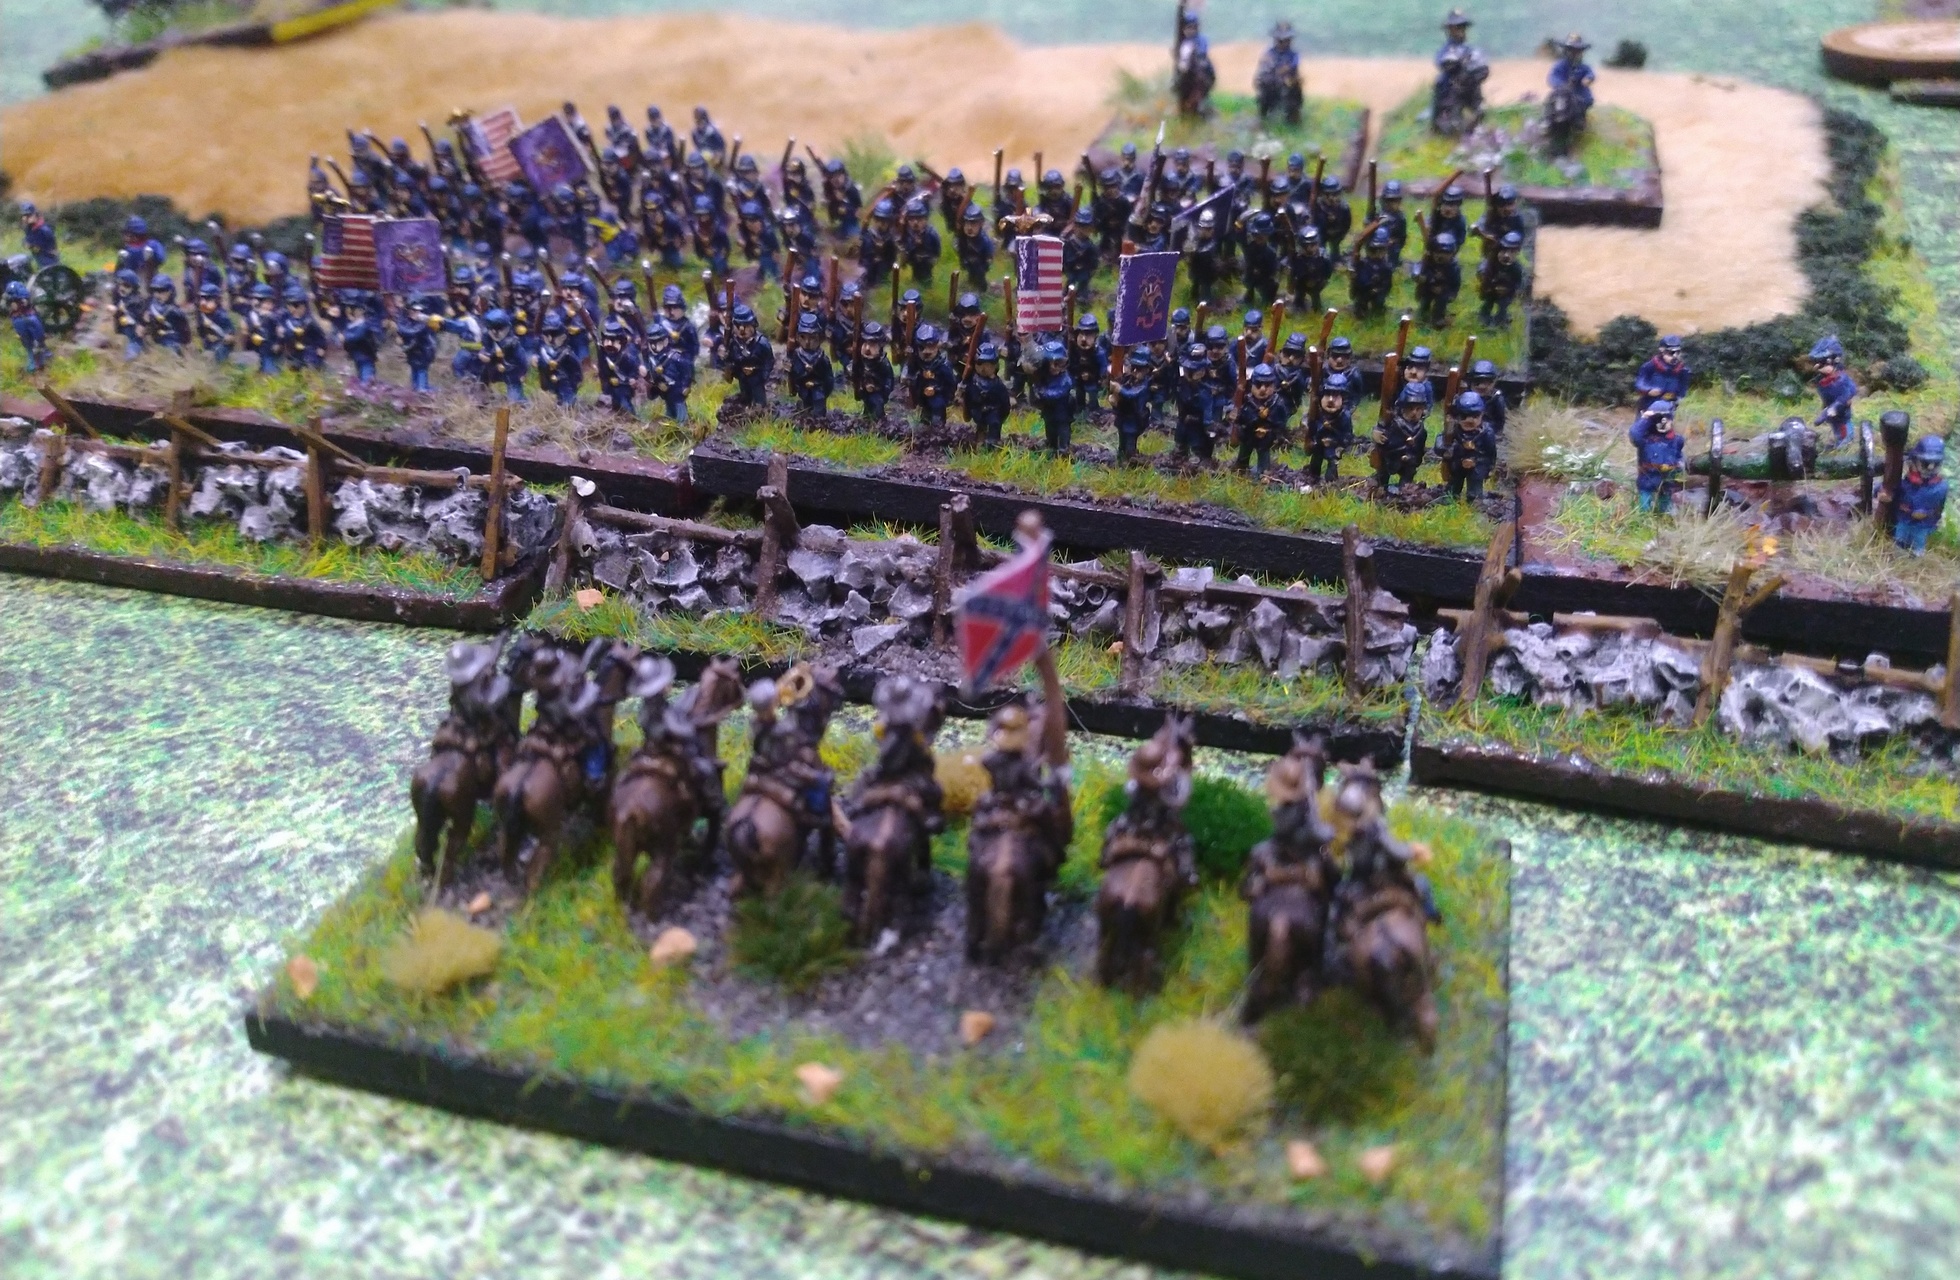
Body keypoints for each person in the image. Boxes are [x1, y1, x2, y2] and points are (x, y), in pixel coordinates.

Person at [1890, 436, 1947, 557]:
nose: (1930, 468)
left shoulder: (1940, 487)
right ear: (1915, 461)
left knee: (1919, 540)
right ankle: (1898, 551)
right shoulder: (1907, 482)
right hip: (1904, 518)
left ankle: (1917, 555)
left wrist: (1930, 515)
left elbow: (1939, 507)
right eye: (1926, 463)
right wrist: (1884, 493)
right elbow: (1896, 491)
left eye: (1935, 464)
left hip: (1923, 524)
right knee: (1900, 536)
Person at [1233, 363, 1292, 479]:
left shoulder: (1277, 404)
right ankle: (1241, 468)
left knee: (1263, 455)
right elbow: (1241, 418)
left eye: (1267, 385)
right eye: (1258, 385)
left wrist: (1271, 431)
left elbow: (1281, 422)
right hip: (1248, 435)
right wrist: (1254, 419)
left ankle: (1263, 473)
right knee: (1244, 452)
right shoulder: (1247, 401)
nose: (1263, 389)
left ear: (1274, 385)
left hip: (1266, 438)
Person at [1629, 402, 1684, 514]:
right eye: (1658, 420)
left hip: (1667, 478)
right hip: (1648, 477)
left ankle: (1665, 517)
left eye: (1666, 419)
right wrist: (1646, 419)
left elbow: (1678, 456)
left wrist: (1679, 468)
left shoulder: (1677, 440)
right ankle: (1644, 518)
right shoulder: (1645, 439)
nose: (1662, 423)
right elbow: (1634, 434)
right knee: (1645, 505)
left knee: (1666, 505)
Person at [1440, 391, 1495, 501]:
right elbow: (1441, 442)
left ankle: (1474, 499)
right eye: (1464, 416)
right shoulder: (1453, 429)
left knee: (1474, 488)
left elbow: (1491, 452)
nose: (1469, 420)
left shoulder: (1486, 433)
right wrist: (1447, 449)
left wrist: (1489, 467)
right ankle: (1451, 496)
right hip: (1457, 463)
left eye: (1475, 416)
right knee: (1453, 484)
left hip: (1478, 465)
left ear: (1482, 414)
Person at [718, 304, 774, 409]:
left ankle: (760, 410)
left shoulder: (762, 343)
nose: (742, 329)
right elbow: (729, 360)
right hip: (742, 376)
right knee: (745, 397)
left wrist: (763, 376)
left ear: (754, 324)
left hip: (756, 377)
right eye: (738, 325)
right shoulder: (732, 343)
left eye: (746, 325)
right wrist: (724, 357)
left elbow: (769, 361)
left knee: (759, 400)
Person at [1375, 387, 1430, 493]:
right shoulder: (1395, 424)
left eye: (1418, 409)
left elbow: (1420, 448)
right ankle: (1380, 486)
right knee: (1382, 475)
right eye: (1410, 408)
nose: (1414, 413)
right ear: (1402, 408)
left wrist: (1416, 458)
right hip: (1391, 458)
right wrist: (1378, 434)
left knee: (1407, 481)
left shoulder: (1421, 430)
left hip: (1410, 461)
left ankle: (1404, 491)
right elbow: (1381, 428)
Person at [1304, 369, 1355, 483]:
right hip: (1318, 445)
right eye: (1327, 395)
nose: (1331, 400)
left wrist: (1334, 442)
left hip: (1334, 447)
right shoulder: (1318, 413)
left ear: (1343, 399)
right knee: (1315, 461)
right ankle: (1312, 478)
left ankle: (1331, 483)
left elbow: (1348, 437)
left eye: (1336, 396)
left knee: (1332, 465)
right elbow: (1312, 429)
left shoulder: (1344, 417)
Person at [1171, 342, 1218, 465]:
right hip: (1183, 417)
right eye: (1188, 369)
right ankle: (1180, 450)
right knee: (1180, 435)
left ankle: (1197, 455)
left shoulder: (1205, 391)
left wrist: (1207, 425)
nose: (1190, 373)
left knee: (1196, 438)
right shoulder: (1182, 384)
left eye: (1195, 370)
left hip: (1197, 421)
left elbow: (1207, 411)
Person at [1810, 335, 1858, 446]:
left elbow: (1847, 394)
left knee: (1843, 426)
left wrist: (1834, 408)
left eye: (1823, 363)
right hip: (1831, 409)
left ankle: (1845, 443)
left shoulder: (1840, 380)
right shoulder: (1822, 380)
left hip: (1841, 411)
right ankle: (1839, 440)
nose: (1818, 367)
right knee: (1836, 426)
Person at [963, 341, 1013, 446]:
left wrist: (1001, 416)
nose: (983, 368)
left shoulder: (998, 385)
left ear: (995, 365)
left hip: (993, 412)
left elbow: (1005, 403)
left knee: (994, 424)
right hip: (977, 410)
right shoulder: (973, 382)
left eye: (988, 365)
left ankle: (993, 441)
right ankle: (979, 439)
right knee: (980, 427)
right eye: (980, 364)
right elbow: (967, 398)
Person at [1255, 21, 1305, 125]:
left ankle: (1293, 119)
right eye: (1280, 40)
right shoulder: (1269, 53)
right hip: (1271, 84)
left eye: (1286, 40)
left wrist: (1287, 75)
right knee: (1265, 87)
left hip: (1287, 84)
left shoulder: (1293, 55)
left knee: (1295, 89)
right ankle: (1264, 115)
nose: (1283, 43)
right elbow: (1264, 69)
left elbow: (1292, 68)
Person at [786, 312, 835, 416]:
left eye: (812, 337)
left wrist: (820, 387)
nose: (807, 342)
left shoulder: (822, 358)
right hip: (803, 389)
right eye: (803, 337)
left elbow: (828, 378)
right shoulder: (797, 355)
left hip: (818, 391)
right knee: (805, 407)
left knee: (818, 410)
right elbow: (795, 375)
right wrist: (791, 370)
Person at [1173, 4, 1217, 117]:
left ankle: (1205, 94)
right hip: (1185, 63)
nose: (1190, 30)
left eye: (1192, 27)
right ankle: (1176, 85)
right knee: (1178, 73)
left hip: (1199, 61)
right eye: (1188, 27)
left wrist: (1199, 56)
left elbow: (1203, 51)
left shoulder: (1201, 39)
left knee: (1207, 67)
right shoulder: (1184, 41)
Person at [1032, 341, 1076, 452]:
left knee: (1063, 429)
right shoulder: (1044, 376)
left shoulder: (1065, 379)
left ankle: (1063, 448)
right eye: (1050, 363)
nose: (1054, 367)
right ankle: (1051, 444)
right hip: (1049, 410)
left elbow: (1058, 393)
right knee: (1050, 428)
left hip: (1062, 411)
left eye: (1059, 363)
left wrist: (1043, 393)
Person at [1111, 347, 1154, 462]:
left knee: (1130, 442)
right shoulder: (1129, 380)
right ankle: (1121, 458)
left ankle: (1130, 459)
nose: (1135, 371)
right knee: (1122, 440)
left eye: (1139, 369)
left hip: (1134, 418)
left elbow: (1131, 394)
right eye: (1133, 367)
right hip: (1123, 415)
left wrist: (1119, 389)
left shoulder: (1144, 385)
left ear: (1147, 370)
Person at [850, 320, 895, 424]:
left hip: (878, 393)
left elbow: (889, 380)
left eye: (872, 344)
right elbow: (854, 372)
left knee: (877, 408)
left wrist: (881, 390)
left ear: (880, 345)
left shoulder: (883, 363)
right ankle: (866, 419)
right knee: (867, 406)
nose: (867, 348)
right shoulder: (860, 361)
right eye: (865, 343)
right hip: (864, 391)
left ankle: (879, 422)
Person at [535, 309, 583, 405]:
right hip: (551, 380)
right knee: (555, 396)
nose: (551, 339)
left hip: (565, 381)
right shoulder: (544, 351)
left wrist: (577, 379)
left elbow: (576, 366)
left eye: (554, 335)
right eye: (547, 335)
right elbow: (542, 367)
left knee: (567, 397)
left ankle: (568, 404)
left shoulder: (566, 352)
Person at [1634, 335, 1691, 413]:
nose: (1675, 356)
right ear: (1662, 352)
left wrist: (1677, 399)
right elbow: (1640, 383)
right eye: (1671, 353)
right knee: (1642, 420)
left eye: (1678, 352)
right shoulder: (1650, 366)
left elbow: (1682, 389)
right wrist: (1648, 390)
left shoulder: (1683, 371)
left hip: (1668, 404)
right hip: (1648, 403)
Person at [1477, 231, 1523, 325]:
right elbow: (1483, 274)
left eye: (1512, 252)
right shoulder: (1492, 262)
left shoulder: (1516, 268)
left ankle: (1500, 319)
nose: (1506, 255)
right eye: (1504, 251)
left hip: (1506, 292)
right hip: (1491, 289)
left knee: (1503, 304)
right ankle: (1484, 317)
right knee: (1488, 302)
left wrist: (1509, 289)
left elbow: (1518, 282)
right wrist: (1490, 286)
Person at [1067, 314, 1109, 414]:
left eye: (1088, 335)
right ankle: (1080, 407)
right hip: (1078, 378)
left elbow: (1103, 368)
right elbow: (1070, 364)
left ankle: (1093, 408)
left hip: (1093, 380)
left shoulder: (1098, 353)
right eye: (1081, 334)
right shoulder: (1074, 351)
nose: (1083, 339)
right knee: (1079, 392)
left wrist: (1100, 378)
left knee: (1092, 393)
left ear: (1095, 336)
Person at [6, 281, 47, 373]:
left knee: (31, 343)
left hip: (21, 321)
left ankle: (35, 363)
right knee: (35, 341)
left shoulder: (11, 299)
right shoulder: (24, 295)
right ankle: (38, 362)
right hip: (28, 320)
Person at [1467, 359, 1508, 438]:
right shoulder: (1465, 397)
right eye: (1477, 382)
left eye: (1487, 382)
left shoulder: (1496, 398)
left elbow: (1499, 421)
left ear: (1494, 382)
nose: (1482, 386)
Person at [19, 202, 59, 269]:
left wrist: (30, 245)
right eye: (24, 215)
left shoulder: (44, 230)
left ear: (35, 215)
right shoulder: (29, 228)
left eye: (29, 215)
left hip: (48, 260)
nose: (25, 218)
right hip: (37, 258)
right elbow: (26, 242)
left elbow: (49, 249)